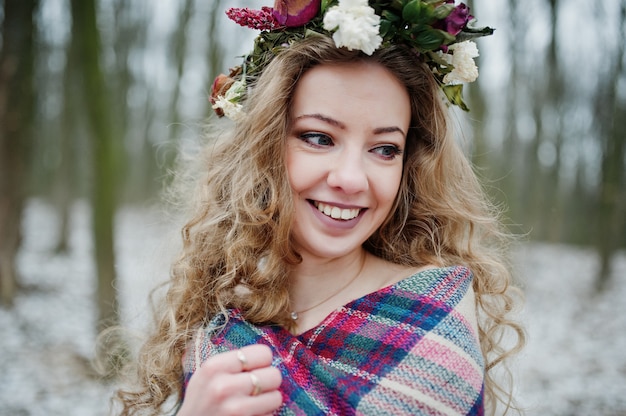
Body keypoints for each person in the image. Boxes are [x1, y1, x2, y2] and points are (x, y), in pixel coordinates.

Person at [115, 1, 525, 415]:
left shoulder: (432, 324)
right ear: (266, 147)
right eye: (319, 138)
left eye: (384, 149)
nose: (350, 178)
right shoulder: (223, 315)